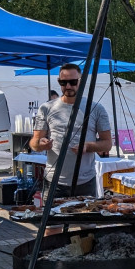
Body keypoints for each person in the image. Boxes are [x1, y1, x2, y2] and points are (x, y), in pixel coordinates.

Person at [30, 63, 113, 198]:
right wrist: (41, 144)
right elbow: (34, 142)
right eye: (63, 82)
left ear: (81, 81)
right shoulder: (46, 108)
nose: (68, 86)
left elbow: (107, 143)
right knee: (52, 219)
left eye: (72, 82)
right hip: (54, 181)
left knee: (84, 219)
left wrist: (88, 146)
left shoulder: (96, 109)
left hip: (85, 182)